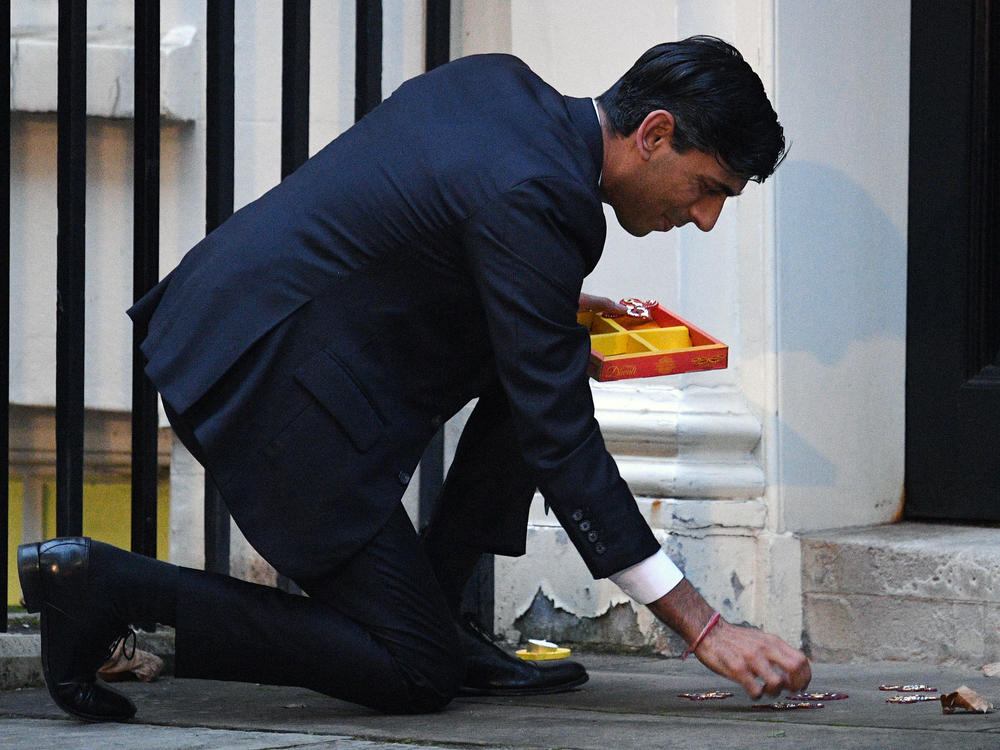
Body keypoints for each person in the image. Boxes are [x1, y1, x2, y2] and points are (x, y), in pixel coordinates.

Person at [18, 36, 810, 722]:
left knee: (549, 353)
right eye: (709, 188)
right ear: (655, 132)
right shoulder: (538, 196)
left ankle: (443, 603)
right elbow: (562, 442)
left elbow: (417, 214)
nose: (705, 217)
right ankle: (107, 589)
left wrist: (538, 297)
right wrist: (705, 626)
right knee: (412, 669)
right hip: (267, 387)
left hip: (237, 325)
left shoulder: (500, 86)